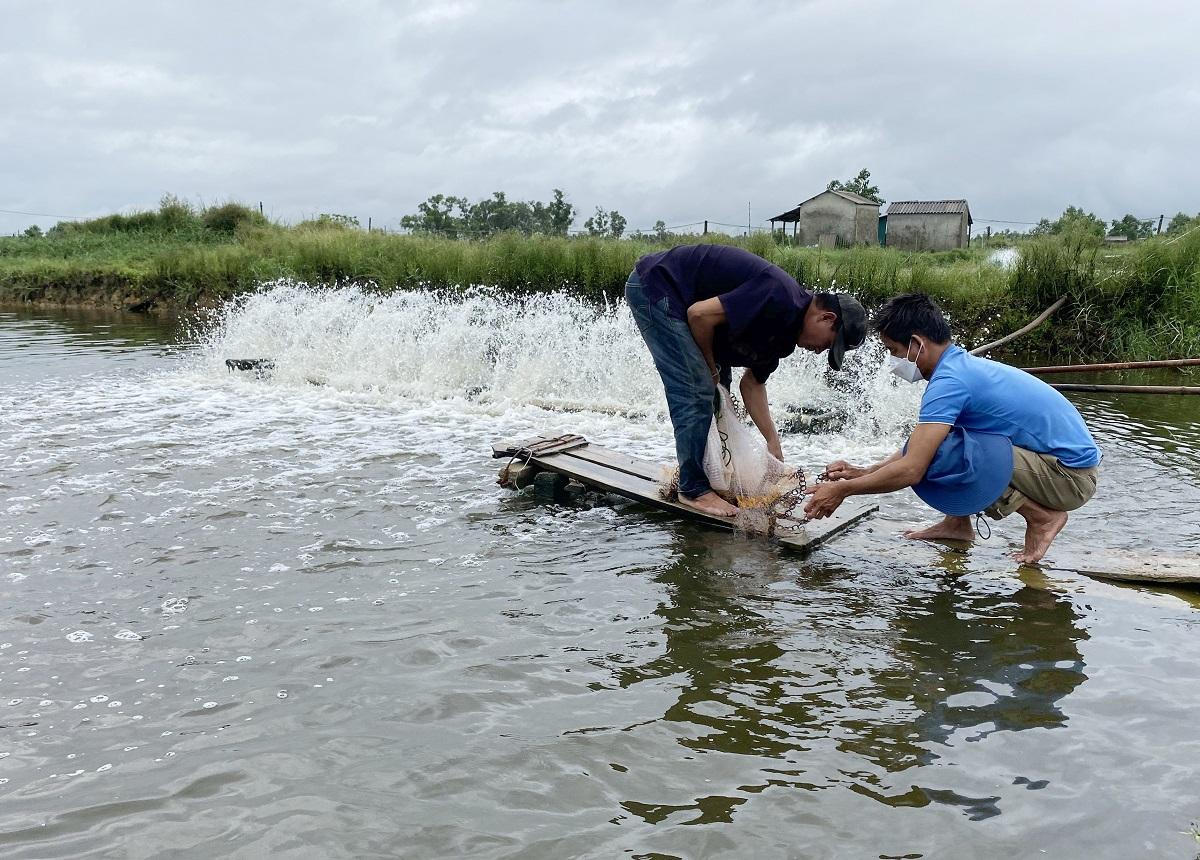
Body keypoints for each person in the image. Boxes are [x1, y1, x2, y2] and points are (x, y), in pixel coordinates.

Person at [803, 293, 1101, 563]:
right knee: (942, 443)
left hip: (1068, 477)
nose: (893, 361)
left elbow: (912, 468)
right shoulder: (957, 367)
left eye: (894, 350)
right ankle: (956, 523)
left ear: (918, 344)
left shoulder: (950, 383)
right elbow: (918, 445)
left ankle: (1041, 518)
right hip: (1057, 467)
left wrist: (843, 490)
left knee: (945, 452)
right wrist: (866, 472)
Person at [626, 243, 866, 517]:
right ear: (826, 317)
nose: (821, 350)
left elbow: (752, 384)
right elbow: (699, 315)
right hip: (659, 286)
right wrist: (710, 368)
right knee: (698, 389)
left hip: (688, 307)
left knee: (719, 396)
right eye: (829, 344)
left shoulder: (784, 338)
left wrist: (772, 442)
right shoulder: (779, 296)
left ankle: (707, 479)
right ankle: (693, 489)